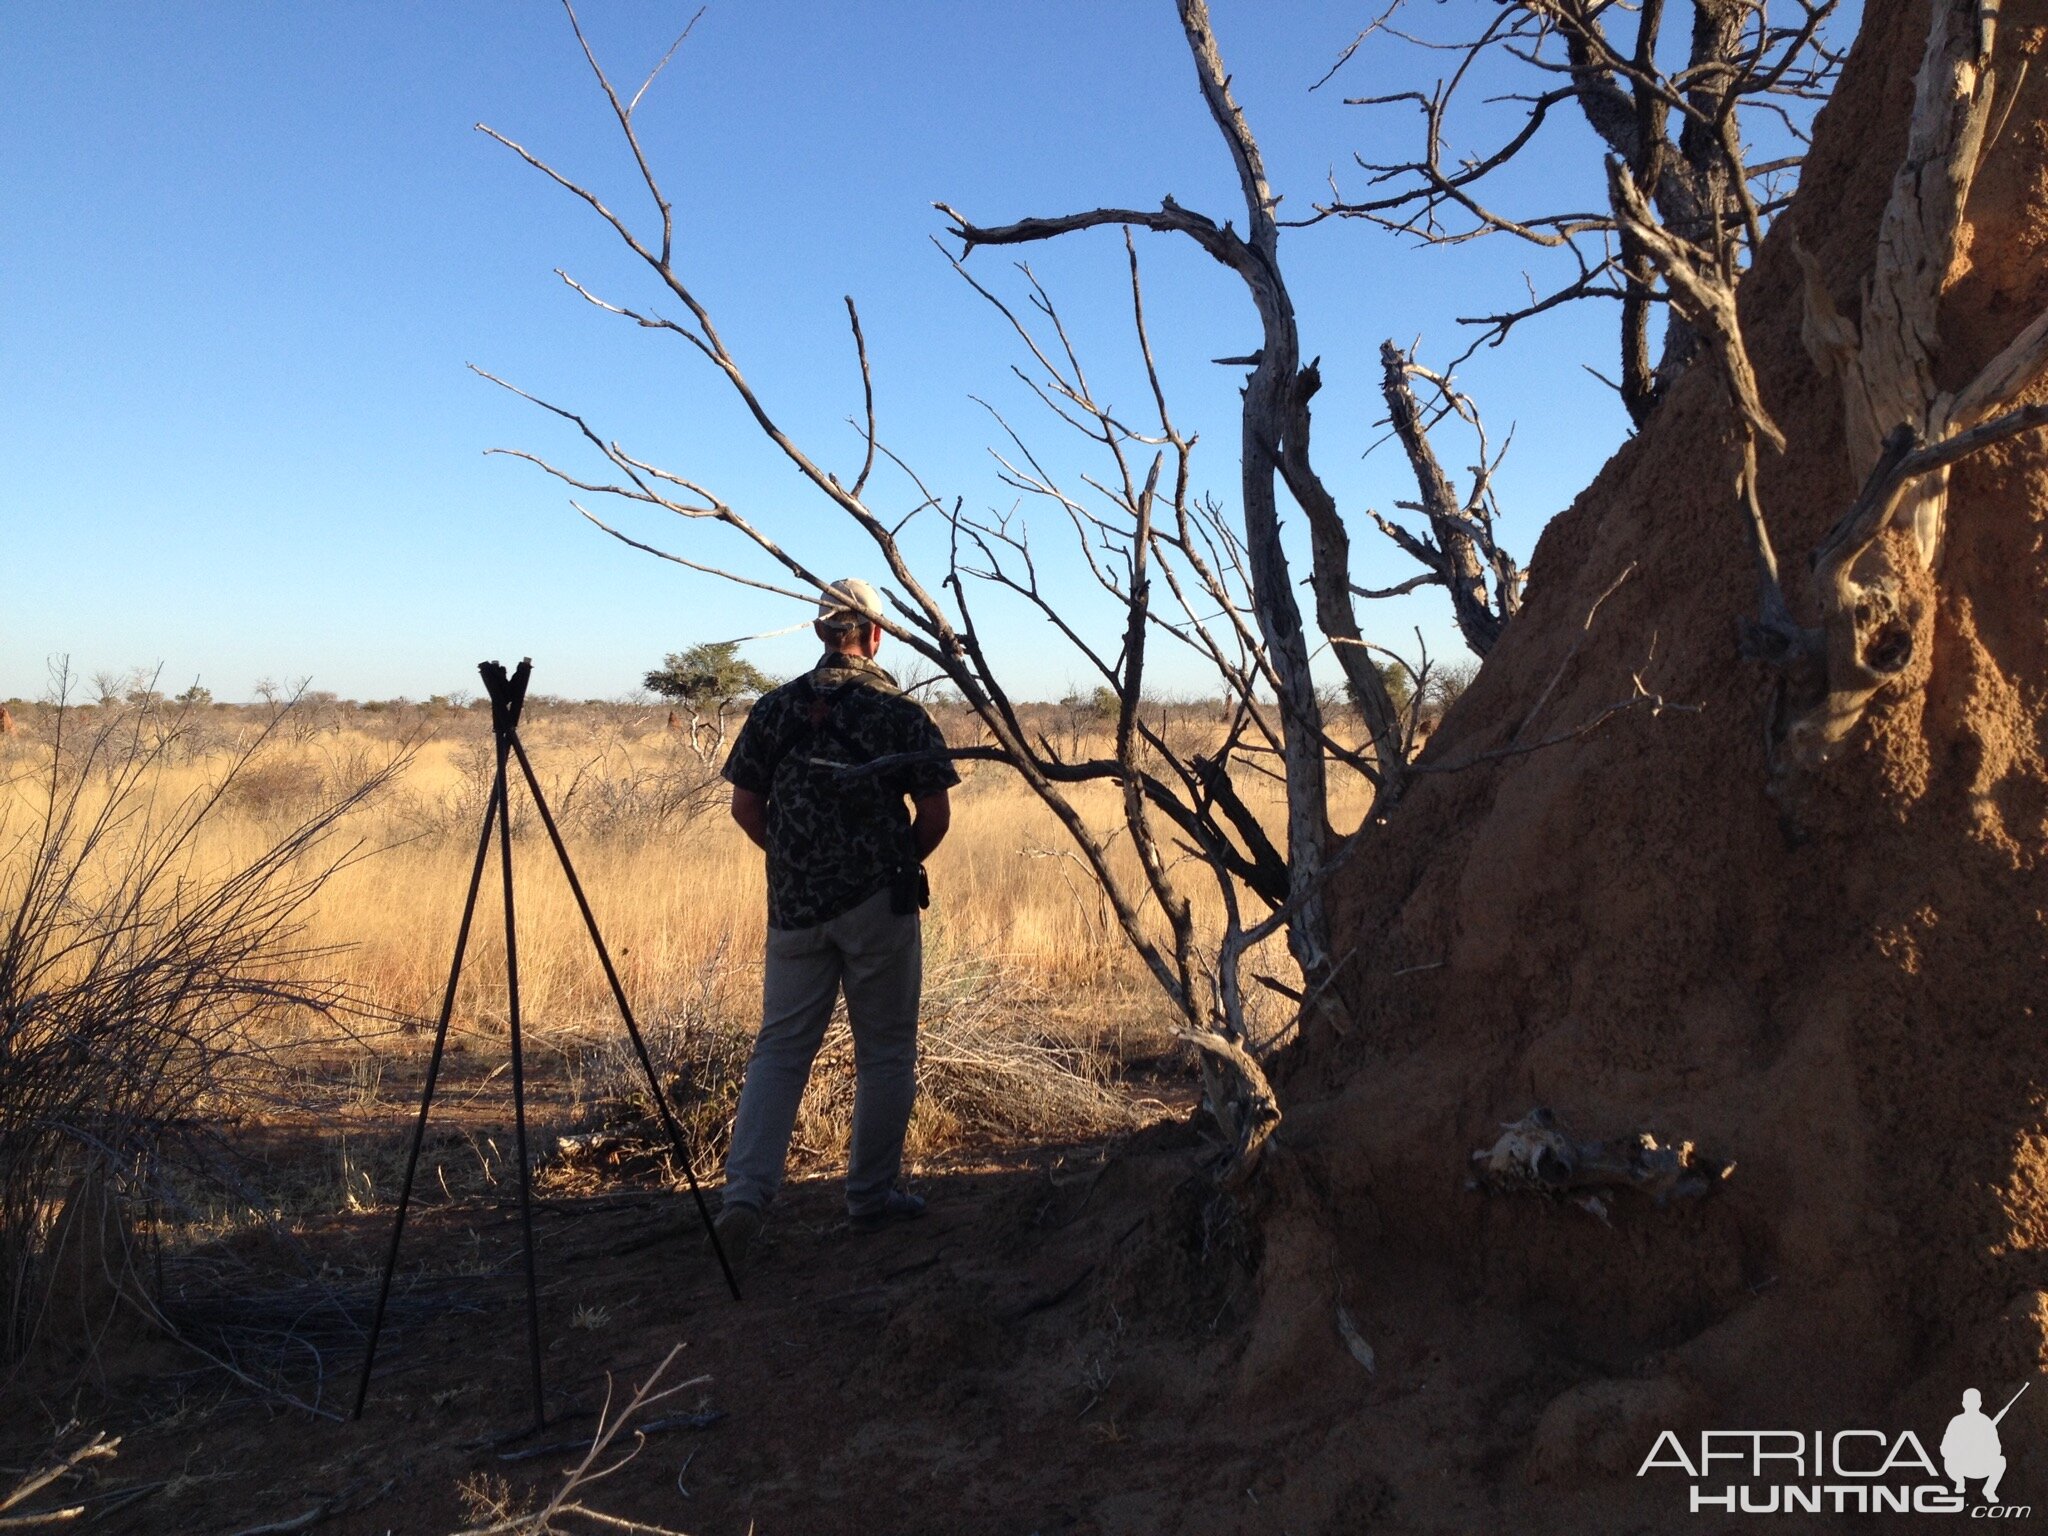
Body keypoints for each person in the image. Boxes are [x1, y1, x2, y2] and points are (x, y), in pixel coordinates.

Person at [712, 579, 958, 1266]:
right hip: (879, 909)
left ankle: (744, 1200)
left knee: (781, 1050)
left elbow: (744, 808)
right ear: (874, 634)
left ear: (823, 632)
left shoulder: (773, 708)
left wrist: (799, 864)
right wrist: (887, 866)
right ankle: (869, 1198)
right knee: (885, 1053)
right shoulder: (897, 712)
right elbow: (935, 815)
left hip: (794, 909)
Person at [1941, 1387, 2009, 1503]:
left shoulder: (1986, 1422)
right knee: (1948, 1461)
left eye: (1974, 1402)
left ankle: (1989, 1490)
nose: (1971, 1404)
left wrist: (1982, 1448)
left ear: (1979, 1404)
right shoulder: (1956, 1421)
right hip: (1959, 1466)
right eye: (1969, 1402)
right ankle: (1959, 1481)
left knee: (2001, 1461)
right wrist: (1961, 1450)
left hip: (1980, 1466)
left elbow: (1997, 1449)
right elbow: (1944, 1449)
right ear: (1963, 1403)